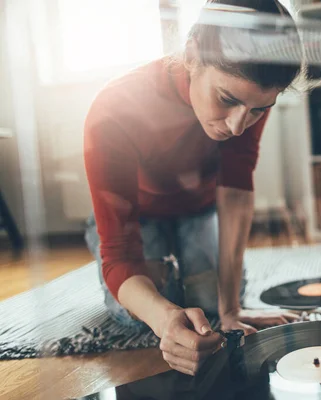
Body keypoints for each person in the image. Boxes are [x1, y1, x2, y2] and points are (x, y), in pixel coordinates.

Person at [83, 0, 302, 376]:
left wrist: (231, 310)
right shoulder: (113, 108)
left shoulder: (246, 106)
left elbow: (235, 194)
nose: (238, 126)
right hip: (138, 216)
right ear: (192, 54)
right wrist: (164, 318)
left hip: (200, 209)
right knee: (143, 316)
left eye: (259, 110)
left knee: (210, 307)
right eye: (227, 100)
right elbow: (120, 254)